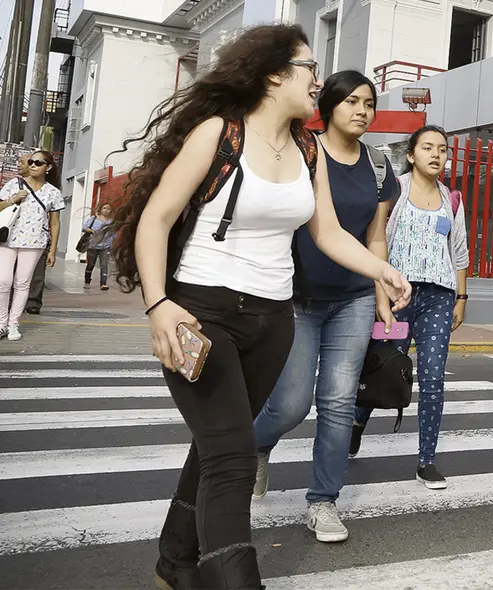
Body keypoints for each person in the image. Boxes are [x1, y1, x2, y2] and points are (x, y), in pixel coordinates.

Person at [110, 24, 411, 589]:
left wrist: (384, 270)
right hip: (203, 315)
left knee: (217, 444)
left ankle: (175, 565)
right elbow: (155, 219)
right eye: (308, 67)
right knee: (232, 457)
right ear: (275, 74)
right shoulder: (218, 135)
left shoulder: (305, 147)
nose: (317, 78)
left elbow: (326, 231)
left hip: (273, 321)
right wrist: (158, 306)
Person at [252, 70, 398, 543]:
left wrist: (382, 297)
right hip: (297, 298)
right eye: (351, 101)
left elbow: (374, 236)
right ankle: (254, 447)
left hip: (352, 299)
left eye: (369, 103)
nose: (361, 110)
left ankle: (323, 502)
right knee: (291, 403)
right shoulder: (301, 151)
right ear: (329, 105)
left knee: (338, 402)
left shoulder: (378, 165)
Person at [352, 125, 470, 490]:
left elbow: (460, 251)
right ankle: (357, 422)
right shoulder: (396, 190)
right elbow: (377, 241)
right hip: (398, 297)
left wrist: (461, 297)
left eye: (443, 149)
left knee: (433, 379)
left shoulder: (452, 199)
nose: (436, 155)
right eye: (428, 148)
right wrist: (381, 297)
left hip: (437, 297)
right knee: (384, 371)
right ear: (411, 154)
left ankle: (426, 460)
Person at [0, 149, 63, 341]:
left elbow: (54, 223)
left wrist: (52, 250)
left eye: (38, 162)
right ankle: (1, 323)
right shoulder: (14, 184)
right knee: (3, 281)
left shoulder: (53, 192)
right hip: (8, 238)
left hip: (35, 241)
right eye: (31, 162)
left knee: (22, 283)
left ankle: (13, 324)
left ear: (48, 167)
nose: (32, 165)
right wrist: (14, 198)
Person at [82, 202, 115, 290]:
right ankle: (87, 281)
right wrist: (91, 231)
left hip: (106, 246)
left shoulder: (111, 221)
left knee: (104, 265)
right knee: (91, 264)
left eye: (108, 209)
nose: (106, 210)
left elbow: (113, 234)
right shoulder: (94, 219)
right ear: (100, 209)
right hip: (93, 245)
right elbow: (84, 228)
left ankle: (103, 283)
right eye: (104, 208)